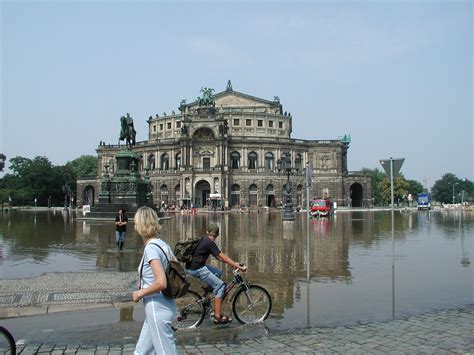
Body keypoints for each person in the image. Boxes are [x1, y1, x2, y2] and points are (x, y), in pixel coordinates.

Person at [132, 206, 177, 354]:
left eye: (136, 223)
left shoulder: (151, 248)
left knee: (166, 352)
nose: (134, 226)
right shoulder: (163, 244)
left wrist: (140, 293)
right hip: (166, 305)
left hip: (156, 306)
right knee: (141, 352)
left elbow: (161, 282)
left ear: (142, 225)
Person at [186, 223, 247, 324]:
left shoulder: (204, 239)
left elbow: (218, 257)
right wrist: (238, 266)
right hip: (197, 268)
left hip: (193, 266)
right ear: (217, 234)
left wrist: (234, 263)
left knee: (218, 272)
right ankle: (217, 317)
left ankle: (208, 295)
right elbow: (223, 257)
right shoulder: (209, 242)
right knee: (220, 285)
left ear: (207, 232)